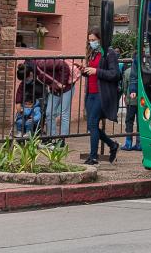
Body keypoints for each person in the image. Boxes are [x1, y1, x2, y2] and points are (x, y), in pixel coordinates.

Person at [82, 29, 121, 165]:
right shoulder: (93, 53)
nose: (91, 42)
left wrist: (96, 71)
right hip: (90, 93)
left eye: (93, 40)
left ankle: (93, 157)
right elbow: (92, 71)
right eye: (90, 40)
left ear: (100, 39)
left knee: (93, 123)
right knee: (91, 125)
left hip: (101, 94)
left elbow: (115, 74)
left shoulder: (109, 53)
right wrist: (85, 71)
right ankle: (112, 145)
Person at [35, 58, 75, 140]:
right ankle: (51, 137)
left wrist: (63, 83)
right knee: (49, 113)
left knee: (64, 113)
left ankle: (62, 139)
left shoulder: (43, 64)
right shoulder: (37, 74)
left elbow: (64, 66)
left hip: (67, 86)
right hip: (55, 89)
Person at [14, 63, 45, 137]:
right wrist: (18, 103)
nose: (25, 81)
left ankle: (30, 132)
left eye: (26, 79)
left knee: (32, 121)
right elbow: (19, 93)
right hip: (24, 107)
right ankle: (19, 131)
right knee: (19, 121)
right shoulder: (23, 84)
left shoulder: (39, 83)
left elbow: (41, 96)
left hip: (34, 106)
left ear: (31, 74)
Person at [120, 53, 141, 151]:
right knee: (140, 122)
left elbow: (124, 87)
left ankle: (128, 142)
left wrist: (125, 95)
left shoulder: (127, 72)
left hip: (131, 100)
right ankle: (139, 142)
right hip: (140, 101)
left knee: (129, 121)